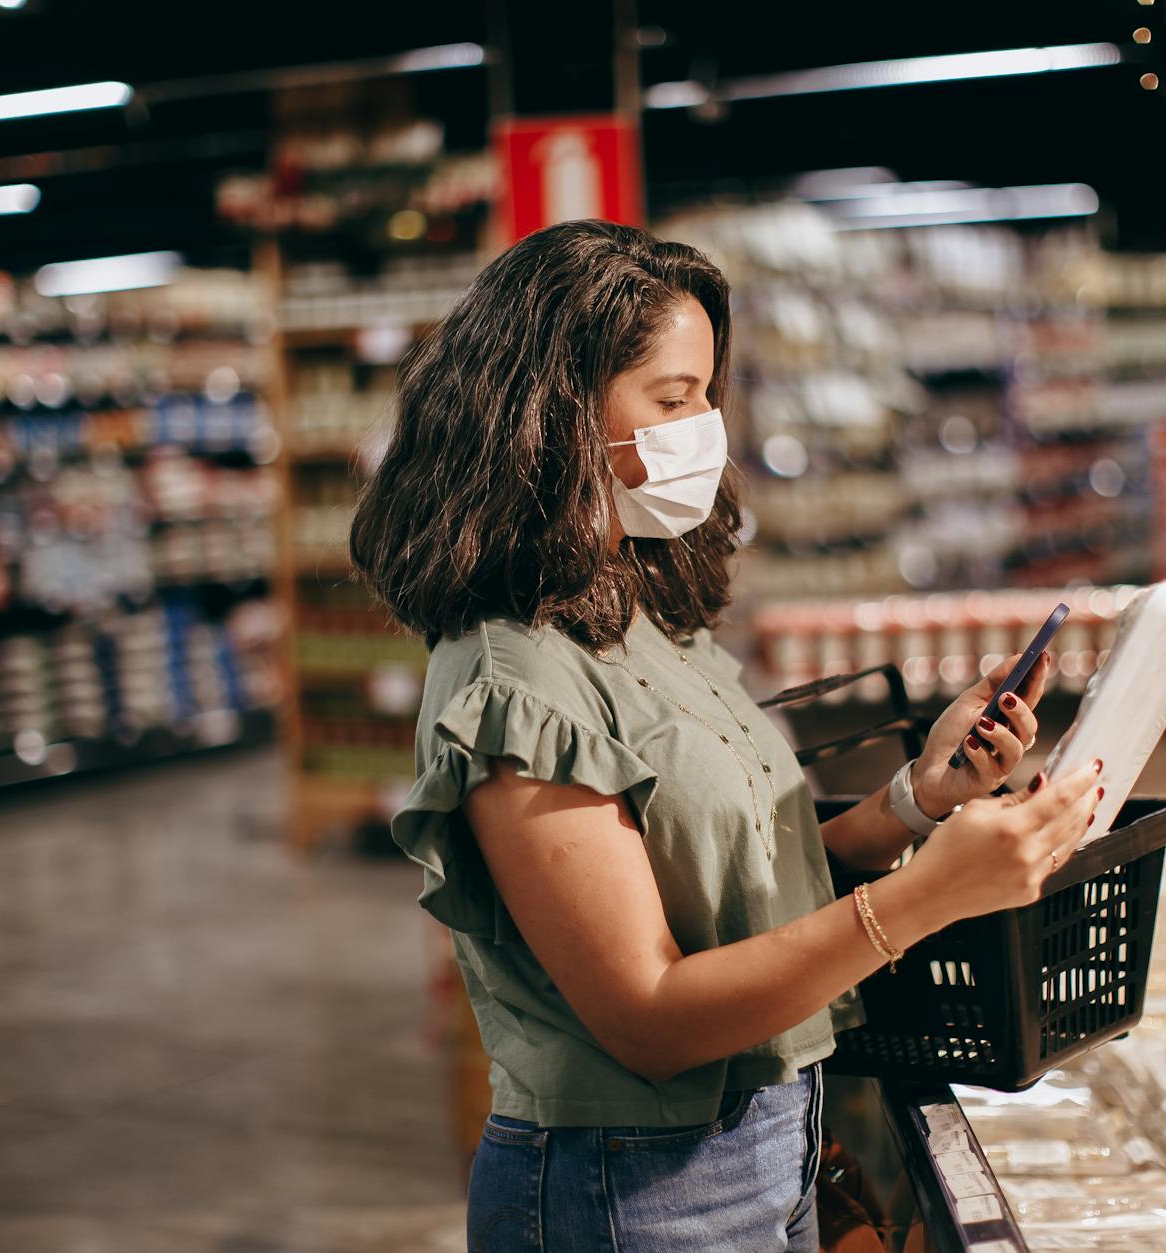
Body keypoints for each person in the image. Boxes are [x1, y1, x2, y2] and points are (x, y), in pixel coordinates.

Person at [350, 219, 1102, 1252]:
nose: (704, 425)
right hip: (632, 1188)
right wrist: (928, 893)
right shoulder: (508, 677)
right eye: (673, 398)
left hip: (764, 1140)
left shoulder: (635, 612)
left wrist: (915, 801)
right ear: (552, 413)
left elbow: (740, 886)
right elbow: (649, 1014)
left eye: (706, 393)